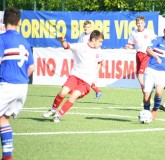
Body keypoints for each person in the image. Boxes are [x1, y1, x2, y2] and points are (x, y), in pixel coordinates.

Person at [43, 30, 104, 123]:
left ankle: (58, 115)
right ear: (94, 40)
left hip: (86, 82)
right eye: (100, 41)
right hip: (75, 76)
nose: (101, 44)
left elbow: (100, 63)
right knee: (63, 93)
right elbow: (67, 46)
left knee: (73, 96)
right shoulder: (81, 46)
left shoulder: (99, 51)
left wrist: (95, 81)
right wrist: (62, 41)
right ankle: (53, 110)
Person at [0, 7, 35, 160]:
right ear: (19, 22)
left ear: (3, 21)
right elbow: (32, 67)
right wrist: (20, 78)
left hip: (8, 85)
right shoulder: (25, 42)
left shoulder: (2, 39)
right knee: (3, 118)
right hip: (22, 87)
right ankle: (7, 156)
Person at [125, 16, 157, 92]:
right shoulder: (133, 33)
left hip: (146, 54)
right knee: (138, 74)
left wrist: (153, 49)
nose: (140, 25)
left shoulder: (149, 32)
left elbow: (156, 40)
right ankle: (145, 87)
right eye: (138, 23)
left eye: (141, 23)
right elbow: (131, 44)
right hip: (138, 54)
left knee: (140, 74)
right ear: (136, 24)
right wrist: (128, 46)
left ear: (144, 23)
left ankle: (144, 88)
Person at [78, 20, 103, 99]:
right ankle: (97, 91)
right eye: (85, 27)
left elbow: (97, 46)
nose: (86, 29)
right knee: (82, 75)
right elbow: (79, 45)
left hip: (91, 59)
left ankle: (96, 91)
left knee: (86, 76)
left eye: (88, 27)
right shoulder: (82, 35)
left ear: (91, 27)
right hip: (83, 58)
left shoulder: (92, 36)